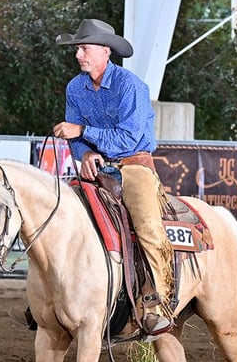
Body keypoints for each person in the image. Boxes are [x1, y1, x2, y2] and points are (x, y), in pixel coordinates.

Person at [52, 18, 175, 337]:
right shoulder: (75, 88)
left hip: (134, 164)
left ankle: (157, 302)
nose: (79, 55)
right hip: (98, 168)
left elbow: (130, 139)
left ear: (106, 52)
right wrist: (84, 153)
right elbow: (76, 136)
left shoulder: (129, 85)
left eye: (85, 48)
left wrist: (82, 132)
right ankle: (56, 296)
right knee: (61, 216)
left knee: (148, 225)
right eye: (78, 49)